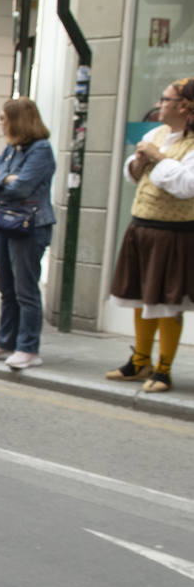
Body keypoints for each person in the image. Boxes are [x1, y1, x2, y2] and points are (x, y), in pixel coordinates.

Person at [105, 77, 194, 392]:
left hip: (174, 234)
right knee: (142, 297)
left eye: (165, 99)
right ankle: (140, 360)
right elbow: (134, 175)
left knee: (168, 302)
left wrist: (156, 157)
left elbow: (187, 186)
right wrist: (139, 161)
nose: (160, 104)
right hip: (142, 226)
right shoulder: (158, 133)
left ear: (185, 107)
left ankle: (164, 369)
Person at [0, 98, 58, 370]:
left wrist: (2, 180)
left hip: (29, 226)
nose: (0, 122)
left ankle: (28, 347)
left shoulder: (40, 150)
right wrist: (2, 179)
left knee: (25, 289)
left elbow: (21, 188)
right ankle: (5, 341)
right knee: (6, 287)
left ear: (18, 119)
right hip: (5, 222)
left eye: (4, 117)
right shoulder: (11, 148)